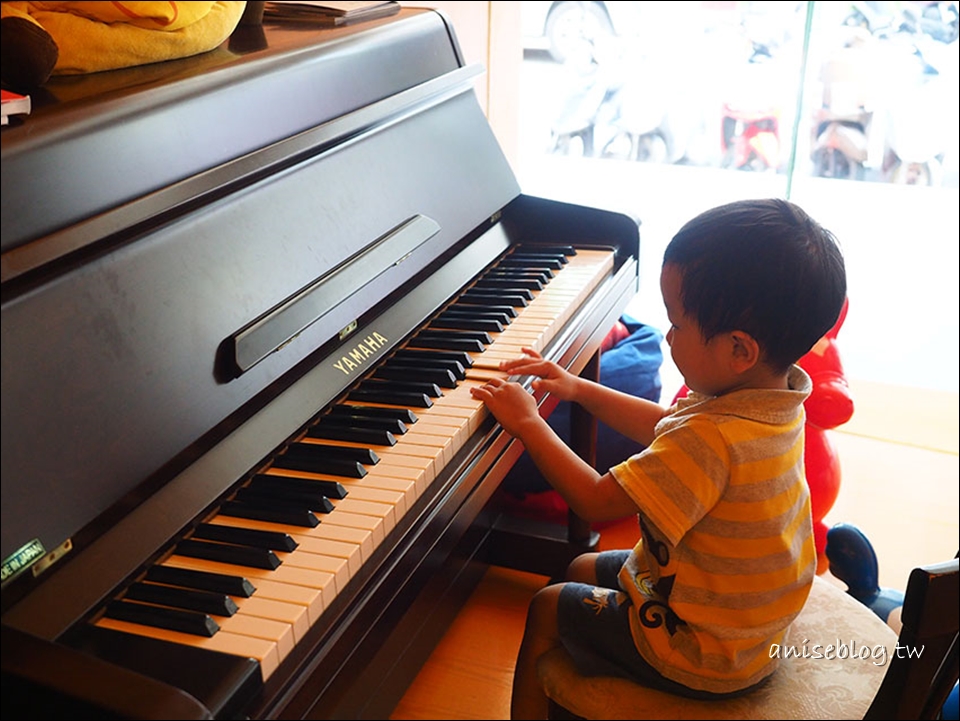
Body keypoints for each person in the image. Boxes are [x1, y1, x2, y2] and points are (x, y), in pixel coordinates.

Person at [469, 198, 847, 719]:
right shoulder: (773, 398)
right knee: (579, 565)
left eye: (675, 324)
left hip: (707, 651)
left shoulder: (714, 437)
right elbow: (668, 430)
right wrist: (580, 389)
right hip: (747, 626)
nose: (665, 336)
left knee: (548, 606)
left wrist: (530, 423)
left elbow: (596, 501)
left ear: (740, 350)